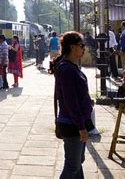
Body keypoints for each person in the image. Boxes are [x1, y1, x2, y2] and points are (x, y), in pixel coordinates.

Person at [49, 31, 93, 178]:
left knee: (78, 161)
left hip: (76, 122)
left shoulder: (70, 66)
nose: (84, 49)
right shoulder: (67, 69)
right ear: (73, 47)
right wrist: (81, 127)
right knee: (72, 165)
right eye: (82, 45)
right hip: (72, 123)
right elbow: (70, 102)